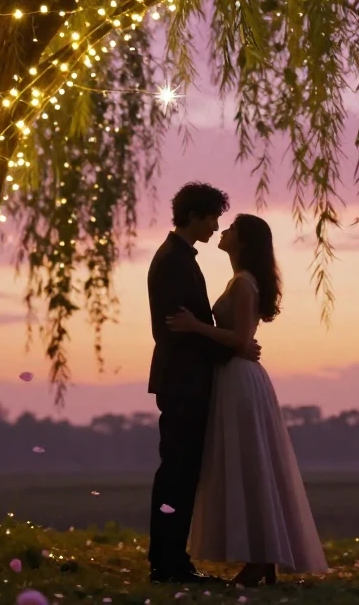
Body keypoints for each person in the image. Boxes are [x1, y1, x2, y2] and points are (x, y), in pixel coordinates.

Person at [167, 213, 329, 586]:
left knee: (248, 464)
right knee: (247, 464)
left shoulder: (242, 283)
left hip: (238, 379)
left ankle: (260, 559)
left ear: (242, 242)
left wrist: (195, 326)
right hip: (234, 377)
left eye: (231, 229)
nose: (222, 231)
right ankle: (261, 557)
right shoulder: (242, 280)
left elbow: (241, 340)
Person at [146, 183, 261, 584]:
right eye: (212, 217)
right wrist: (234, 348)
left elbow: (192, 327)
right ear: (194, 215)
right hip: (183, 381)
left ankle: (171, 561)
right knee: (177, 472)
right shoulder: (174, 262)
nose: (215, 226)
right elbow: (178, 332)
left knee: (181, 472)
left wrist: (231, 345)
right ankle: (168, 565)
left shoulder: (179, 258)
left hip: (187, 379)